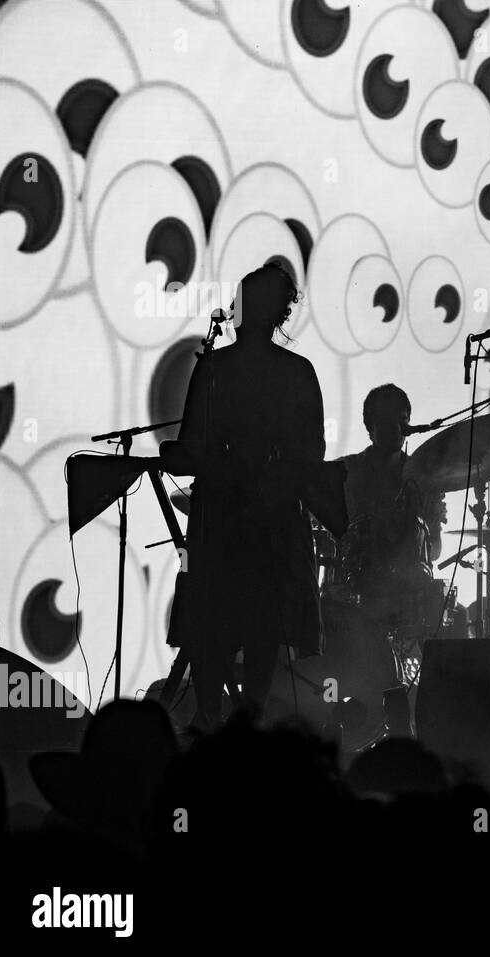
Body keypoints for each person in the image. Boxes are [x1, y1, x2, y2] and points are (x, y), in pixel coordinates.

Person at [166, 263, 325, 730]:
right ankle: (243, 724)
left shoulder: (215, 369)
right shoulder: (295, 372)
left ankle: (212, 719)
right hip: (268, 521)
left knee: (216, 625)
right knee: (260, 631)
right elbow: (310, 453)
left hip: (225, 518)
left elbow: (192, 447)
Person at [337, 384, 448, 670]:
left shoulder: (423, 479)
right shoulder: (347, 472)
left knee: (446, 617)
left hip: (411, 589)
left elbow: (434, 550)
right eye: (387, 422)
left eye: (402, 421)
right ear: (369, 426)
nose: (397, 429)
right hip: (360, 584)